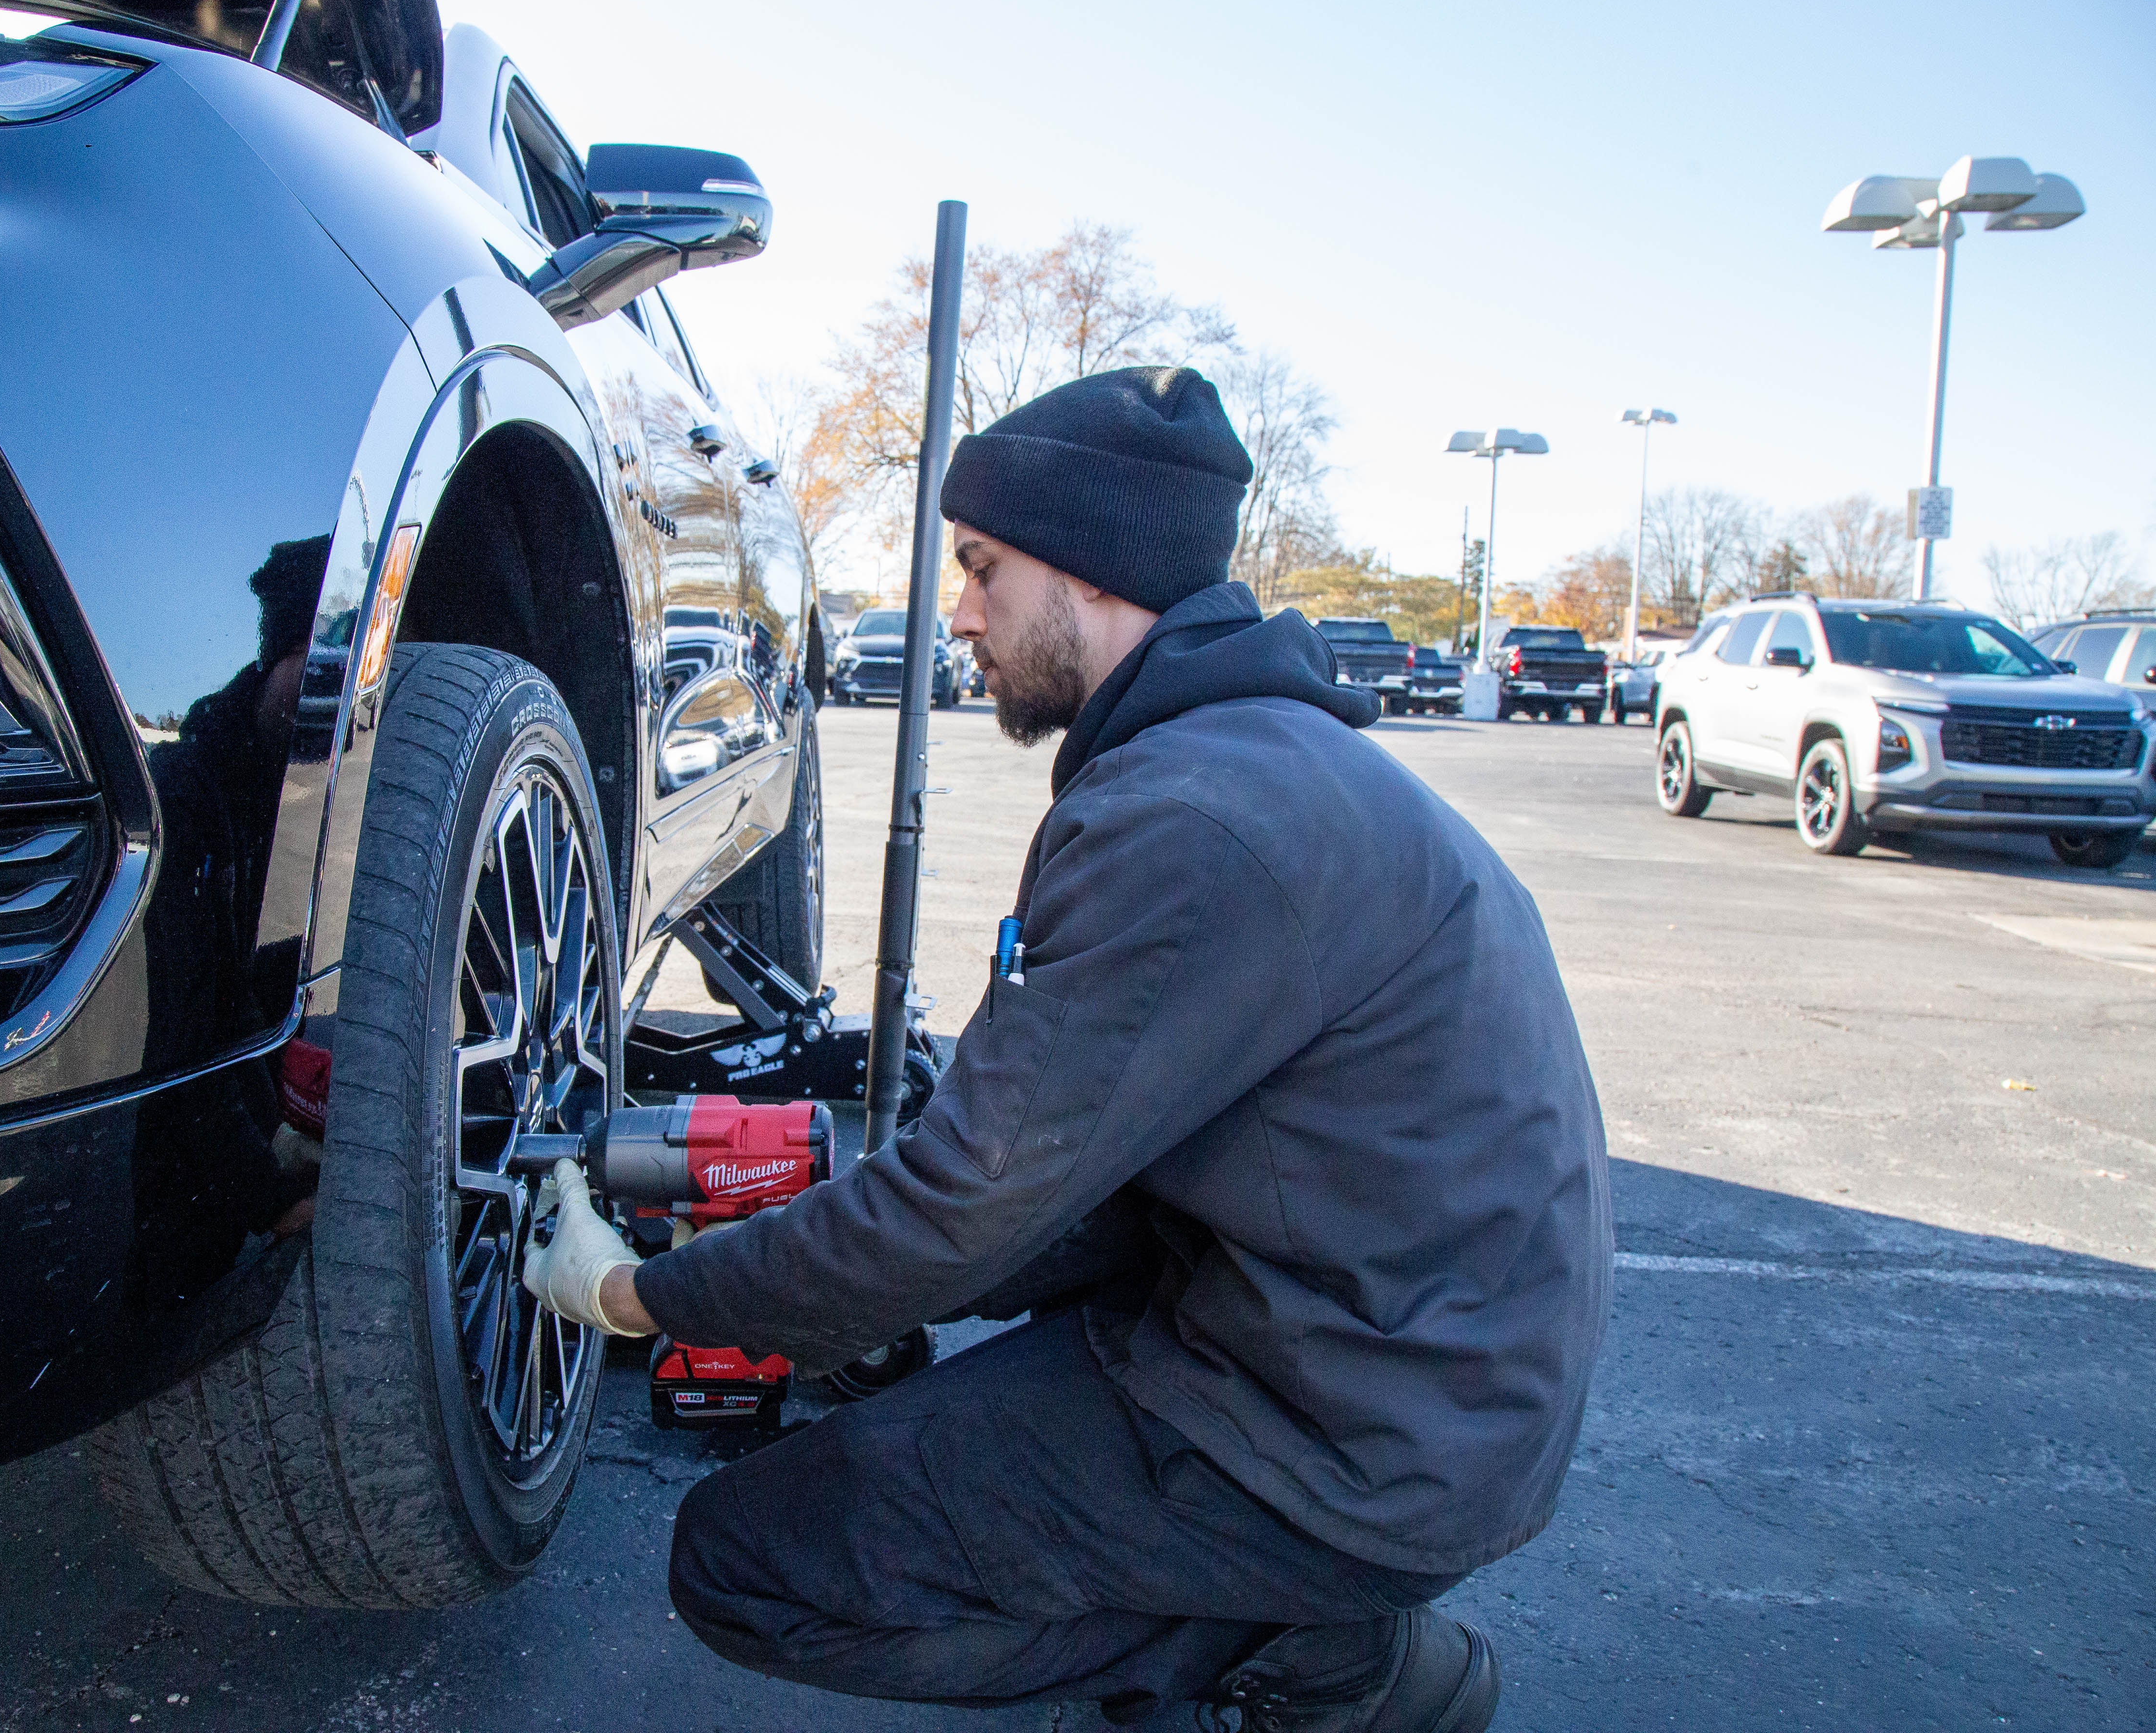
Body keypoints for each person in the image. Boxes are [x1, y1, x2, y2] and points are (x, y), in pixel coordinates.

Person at [524, 367, 1612, 1732]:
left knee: (744, 1565)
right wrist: (861, 1289)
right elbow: (1054, 1192)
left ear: (1092, 568)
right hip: (1390, 1369)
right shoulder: (1245, 765)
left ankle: (1321, 1664)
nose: (961, 614)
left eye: (983, 568)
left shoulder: (1185, 824)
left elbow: (965, 1205)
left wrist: (637, 1296)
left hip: (1350, 1441)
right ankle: (1266, 1612)